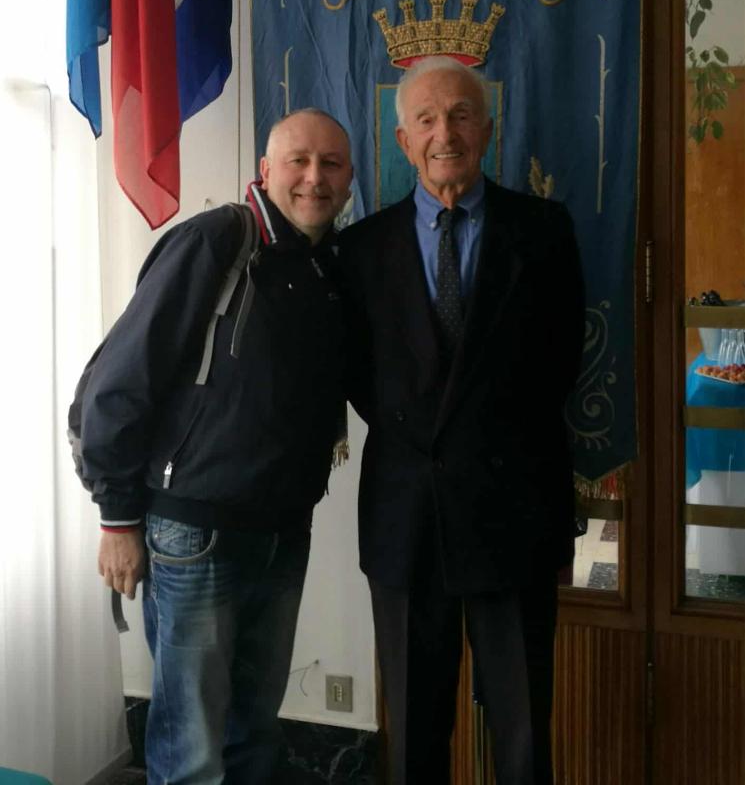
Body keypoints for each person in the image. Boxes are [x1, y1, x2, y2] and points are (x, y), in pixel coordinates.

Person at [80, 109, 353, 785]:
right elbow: (118, 384)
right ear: (265, 170)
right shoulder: (217, 240)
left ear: (350, 179)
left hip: (283, 529)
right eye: (298, 161)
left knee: (254, 727)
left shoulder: (326, 264)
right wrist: (117, 519)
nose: (314, 178)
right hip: (194, 534)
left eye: (330, 164)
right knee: (192, 746)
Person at [340, 57, 584, 785]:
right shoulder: (362, 247)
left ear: (488, 129)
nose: (444, 133)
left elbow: (559, 364)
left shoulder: (543, 231)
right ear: (402, 139)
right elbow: (359, 377)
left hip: (515, 511)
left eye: (460, 115)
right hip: (405, 519)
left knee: (522, 730)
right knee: (413, 734)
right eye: (426, 119)